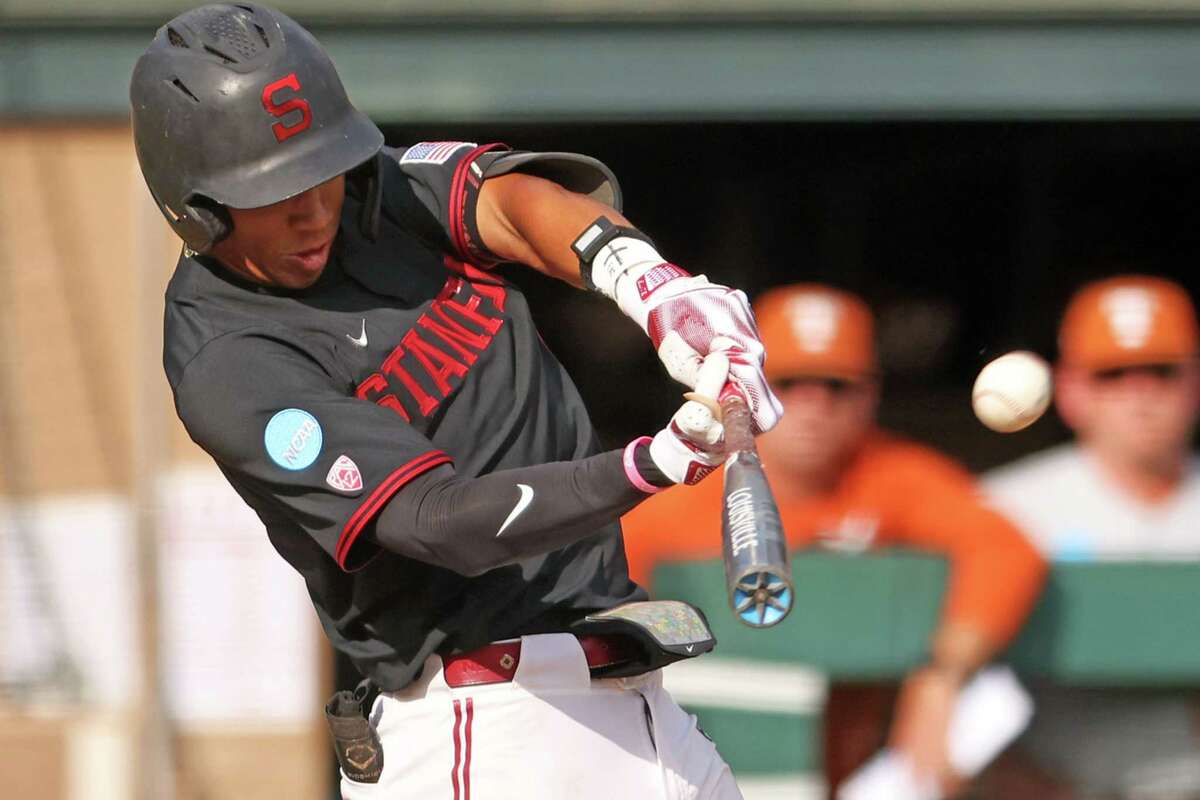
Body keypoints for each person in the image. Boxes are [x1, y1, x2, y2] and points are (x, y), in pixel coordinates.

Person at [131, 4, 785, 798]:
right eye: (275, 191)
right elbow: (438, 522)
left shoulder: (377, 197)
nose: (314, 209)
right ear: (196, 208)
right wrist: (654, 464)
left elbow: (512, 206)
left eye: (321, 170)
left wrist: (650, 285)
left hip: (636, 705)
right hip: (484, 722)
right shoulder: (230, 362)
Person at [621, 283, 1047, 798]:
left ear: (872, 393)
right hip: (715, 759)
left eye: (836, 385)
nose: (813, 404)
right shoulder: (684, 485)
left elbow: (1005, 550)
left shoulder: (891, 474)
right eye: (789, 382)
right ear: (742, 385)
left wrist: (944, 675)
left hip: (864, 766)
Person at [984, 274, 1200, 800]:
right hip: (1047, 781)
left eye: (1162, 371)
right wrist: (998, 773)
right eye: (1114, 374)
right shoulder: (1003, 507)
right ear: (1071, 390)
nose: (1141, 393)